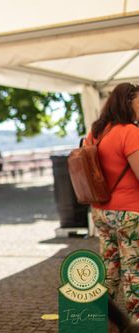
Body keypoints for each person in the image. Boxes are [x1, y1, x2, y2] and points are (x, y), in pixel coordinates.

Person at [88, 82, 139, 321]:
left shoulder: (96, 133)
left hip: (101, 211)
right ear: (127, 103)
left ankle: (98, 320)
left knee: (109, 271)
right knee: (134, 273)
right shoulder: (129, 132)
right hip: (129, 213)